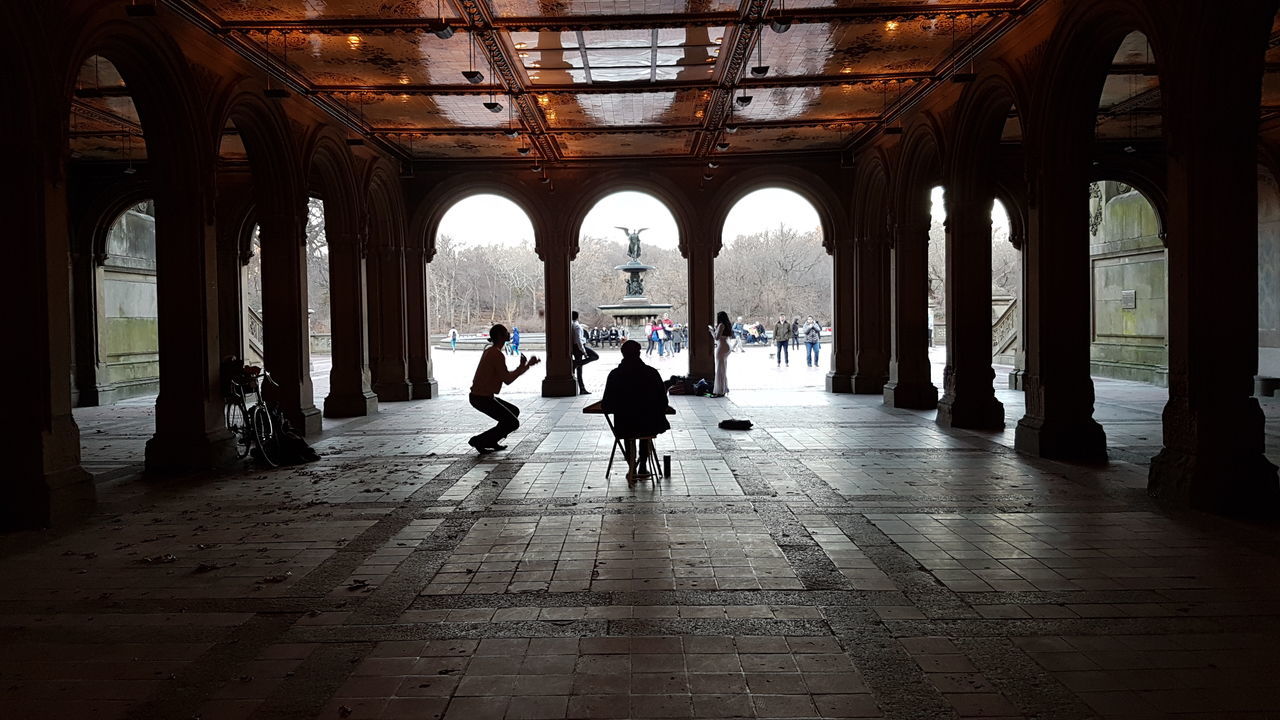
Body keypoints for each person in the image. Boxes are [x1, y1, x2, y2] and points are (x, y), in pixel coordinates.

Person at [602, 340, 671, 483]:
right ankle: (642, 465)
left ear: (622, 354)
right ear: (639, 353)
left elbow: (607, 405)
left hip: (625, 426)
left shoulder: (615, 375)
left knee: (629, 428)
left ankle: (631, 465)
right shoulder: (652, 373)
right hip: (651, 425)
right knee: (644, 426)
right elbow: (664, 402)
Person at [468, 324, 539, 454]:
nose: (509, 334)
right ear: (500, 336)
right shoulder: (496, 354)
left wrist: (524, 366)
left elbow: (505, 376)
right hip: (481, 398)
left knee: (513, 412)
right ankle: (479, 440)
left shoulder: (491, 351)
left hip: (482, 396)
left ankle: (491, 440)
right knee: (512, 423)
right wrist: (524, 366)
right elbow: (507, 379)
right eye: (506, 332)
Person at [571, 310, 598, 394]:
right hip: (579, 347)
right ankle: (576, 363)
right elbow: (578, 340)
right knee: (595, 356)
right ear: (577, 316)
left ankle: (582, 388)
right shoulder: (577, 326)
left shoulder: (571, 325)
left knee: (579, 369)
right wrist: (584, 351)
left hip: (574, 347)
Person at [710, 311, 733, 396]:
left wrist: (711, 330)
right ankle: (724, 388)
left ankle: (719, 390)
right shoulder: (727, 325)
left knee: (720, 369)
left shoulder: (721, 325)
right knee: (723, 369)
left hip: (721, 347)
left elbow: (716, 338)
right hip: (727, 346)